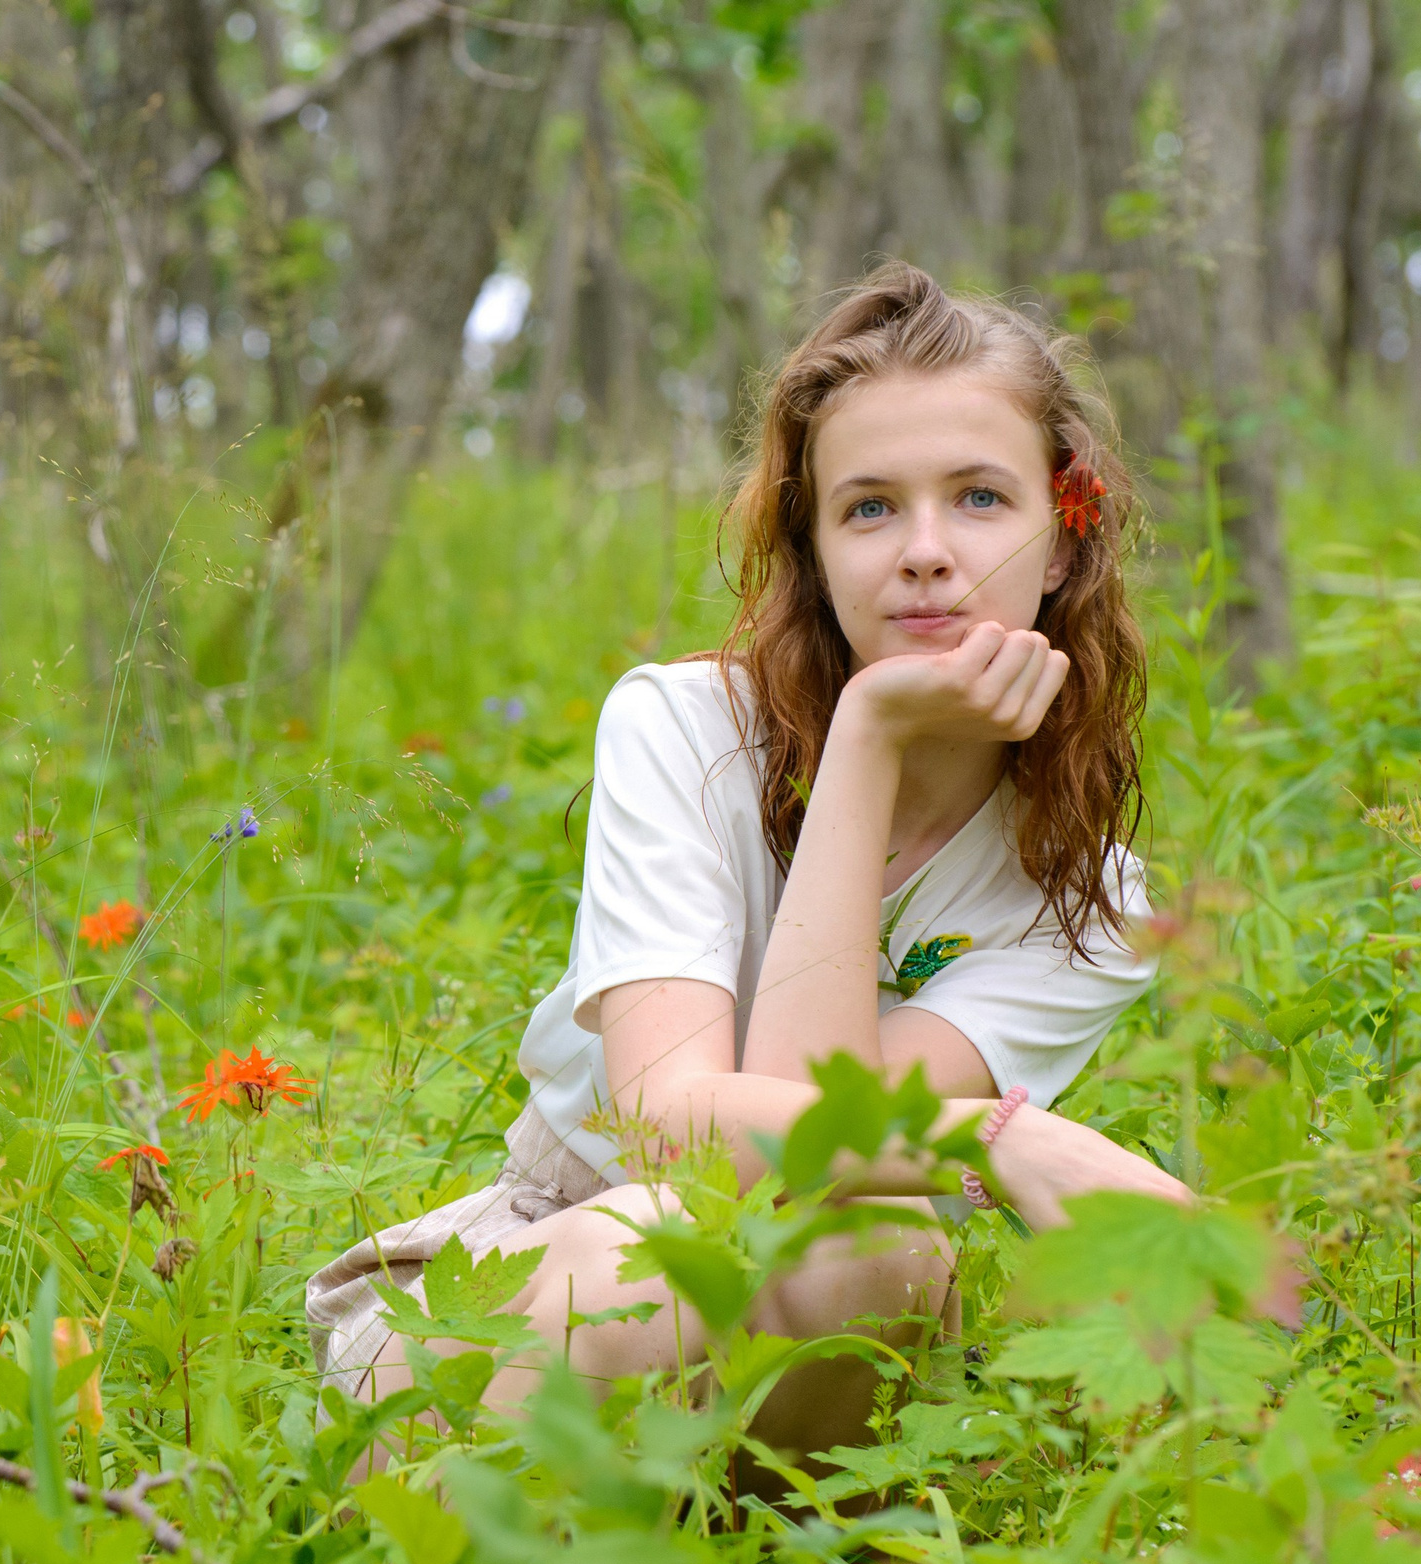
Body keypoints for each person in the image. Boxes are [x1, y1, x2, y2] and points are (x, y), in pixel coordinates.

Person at [305, 261, 1192, 1463]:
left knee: (866, 1245)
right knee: (660, 1261)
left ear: (1061, 537)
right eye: (869, 508)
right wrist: (994, 1138)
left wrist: (870, 737)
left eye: (980, 498)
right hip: (531, 1281)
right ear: (815, 550)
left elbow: (800, 1159)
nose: (925, 551)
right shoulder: (682, 730)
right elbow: (673, 1133)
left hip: (807, 1343)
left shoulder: (1086, 902)